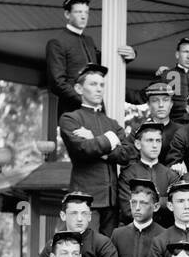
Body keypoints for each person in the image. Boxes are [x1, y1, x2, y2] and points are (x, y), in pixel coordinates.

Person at [58, 63, 136, 234]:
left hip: (112, 202)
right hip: (85, 201)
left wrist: (94, 138)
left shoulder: (112, 123)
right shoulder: (70, 119)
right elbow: (83, 149)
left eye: (101, 85)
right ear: (79, 89)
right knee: (86, 247)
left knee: (108, 248)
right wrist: (111, 139)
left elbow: (127, 154)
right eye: (93, 84)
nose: (99, 89)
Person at [24, 192, 125, 257]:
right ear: (63, 216)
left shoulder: (102, 244)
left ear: (89, 216)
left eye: (84, 214)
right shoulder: (53, 245)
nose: (79, 219)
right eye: (74, 213)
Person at [45, 0, 106, 119]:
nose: (83, 16)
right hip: (73, 112)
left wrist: (130, 55)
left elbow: (104, 62)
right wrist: (84, 100)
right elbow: (58, 83)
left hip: (96, 112)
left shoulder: (89, 41)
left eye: (86, 12)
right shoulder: (57, 42)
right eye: (78, 12)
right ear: (67, 14)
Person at [118, 122, 175, 227]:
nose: (155, 145)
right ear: (138, 144)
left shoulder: (170, 175)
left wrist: (144, 204)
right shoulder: (128, 174)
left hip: (164, 231)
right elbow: (128, 210)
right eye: (149, 140)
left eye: (158, 141)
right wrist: (162, 201)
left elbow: (175, 207)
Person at [110, 181, 162, 257]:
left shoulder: (163, 235)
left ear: (156, 207)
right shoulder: (118, 235)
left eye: (143, 203)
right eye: (134, 202)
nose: (137, 208)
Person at [150, 35, 189, 121]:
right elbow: (145, 96)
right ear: (177, 54)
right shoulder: (166, 75)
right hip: (173, 123)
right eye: (186, 52)